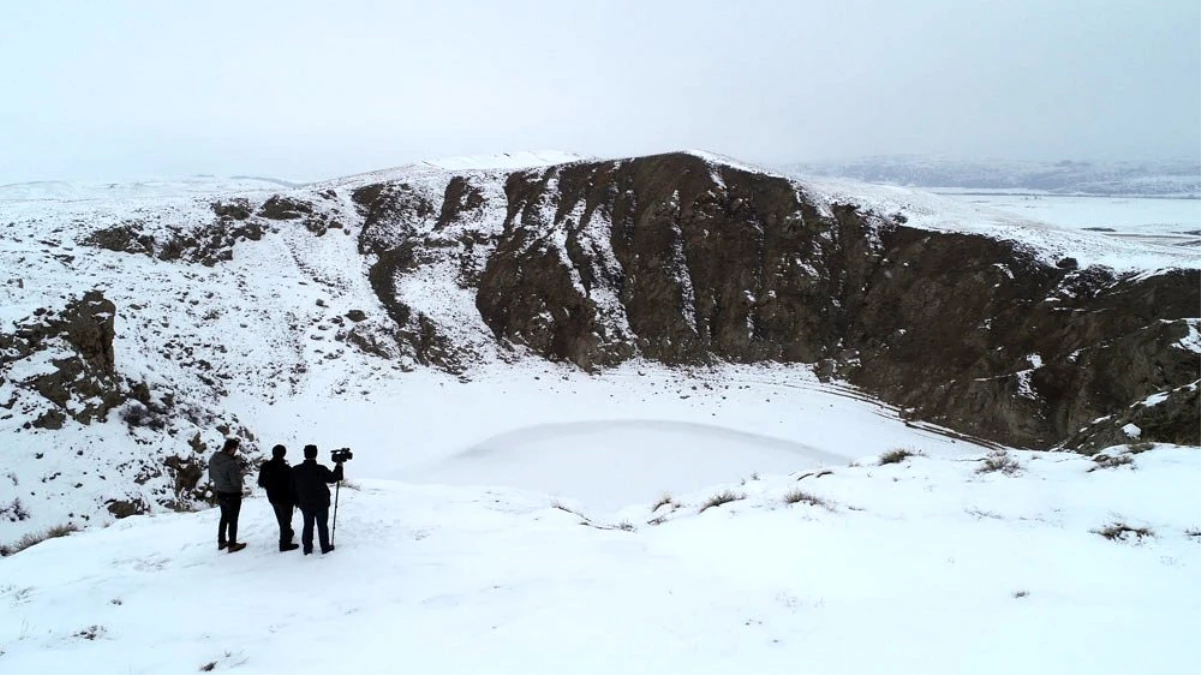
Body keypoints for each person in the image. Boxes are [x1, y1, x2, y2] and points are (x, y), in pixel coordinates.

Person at [290, 444, 344, 555]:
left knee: (308, 525)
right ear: (316, 454)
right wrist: (339, 465)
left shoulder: (296, 469)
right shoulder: (320, 469)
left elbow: (292, 486)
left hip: (304, 503)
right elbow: (334, 477)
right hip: (321, 503)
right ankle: (325, 547)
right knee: (322, 525)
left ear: (304, 454)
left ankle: (307, 548)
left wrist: (296, 501)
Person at [257, 444, 300, 552]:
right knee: (286, 520)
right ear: (284, 454)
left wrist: (270, 486)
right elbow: (293, 486)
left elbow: (261, 483)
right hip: (286, 499)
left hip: (273, 497)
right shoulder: (287, 469)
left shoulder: (265, 466)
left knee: (281, 518)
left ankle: (288, 533)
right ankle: (284, 544)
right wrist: (296, 499)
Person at [207, 437, 247, 553]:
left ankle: (221, 541)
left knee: (224, 517)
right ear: (232, 449)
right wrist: (240, 474)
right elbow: (235, 483)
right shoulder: (231, 464)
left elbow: (212, 475)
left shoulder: (214, 458)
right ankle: (232, 544)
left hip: (220, 492)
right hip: (232, 495)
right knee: (233, 519)